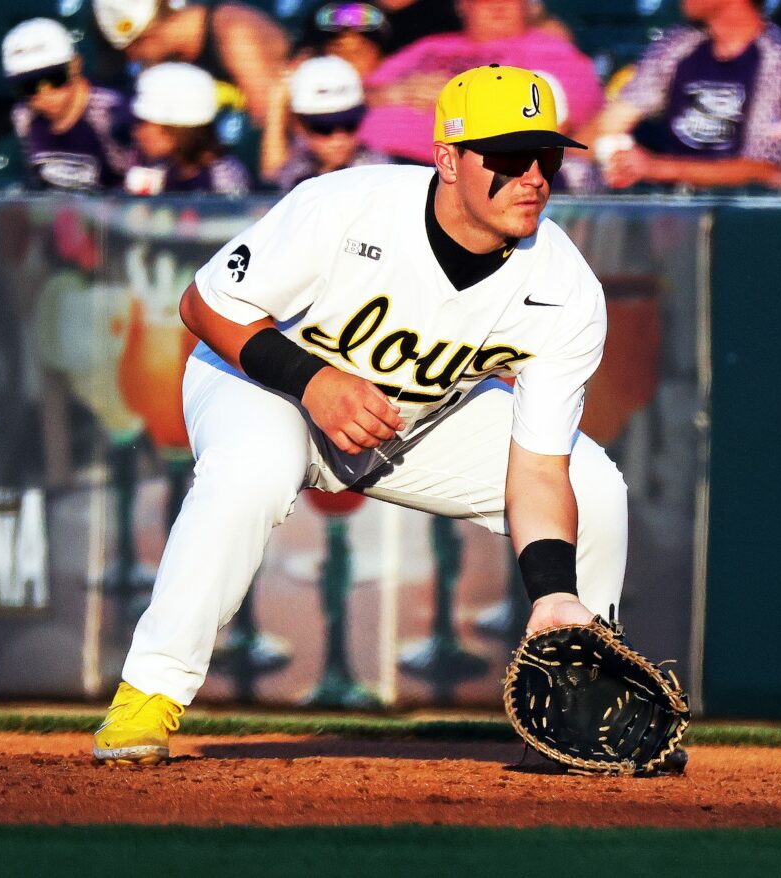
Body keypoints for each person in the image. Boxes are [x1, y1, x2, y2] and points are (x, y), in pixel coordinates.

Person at [92, 64, 627, 764]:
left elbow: (538, 468)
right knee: (251, 472)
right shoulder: (346, 207)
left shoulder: (565, 288)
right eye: (506, 156)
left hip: (410, 420)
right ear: (448, 159)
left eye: (547, 156)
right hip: (264, 383)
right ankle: (148, 696)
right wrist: (313, 383)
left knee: (594, 485)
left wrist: (552, 592)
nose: (533, 176)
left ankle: (579, 710)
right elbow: (204, 306)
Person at [586, 0, 781, 191]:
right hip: (670, 214)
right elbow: (606, 126)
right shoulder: (679, 43)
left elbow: (766, 168)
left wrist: (657, 168)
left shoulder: (780, 56)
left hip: (743, 214)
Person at [358, 0, 603, 165]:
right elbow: (359, 92)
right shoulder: (429, 46)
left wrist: (462, 97)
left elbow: (571, 116)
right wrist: (392, 93)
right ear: (463, 5)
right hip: (376, 159)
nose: (498, 4)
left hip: (480, 167)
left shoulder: (549, 48)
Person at [92, 0, 289, 126]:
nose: (136, 61)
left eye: (132, 53)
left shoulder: (234, 34)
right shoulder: (178, 55)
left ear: (149, 34)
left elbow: (268, 119)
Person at [2, 17, 136, 190]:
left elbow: (136, 184)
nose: (45, 94)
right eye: (28, 86)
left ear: (75, 65)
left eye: (55, 78)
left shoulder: (112, 112)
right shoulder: (24, 117)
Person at [261, 56, 389, 190]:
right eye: (324, 128)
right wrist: (276, 106)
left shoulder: (376, 172)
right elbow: (273, 183)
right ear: (300, 126)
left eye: (349, 125)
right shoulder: (299, 165)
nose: (339, 139)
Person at [124, 62, 251, 195]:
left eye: (143, 122)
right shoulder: (158, 170)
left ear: (175, 128)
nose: (136, 132)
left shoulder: (222, 177)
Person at [295, 2, 395, 77]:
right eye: (337, 49)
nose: (348, 59)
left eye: (358, 52)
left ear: (381, 57)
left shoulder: (398, 95)